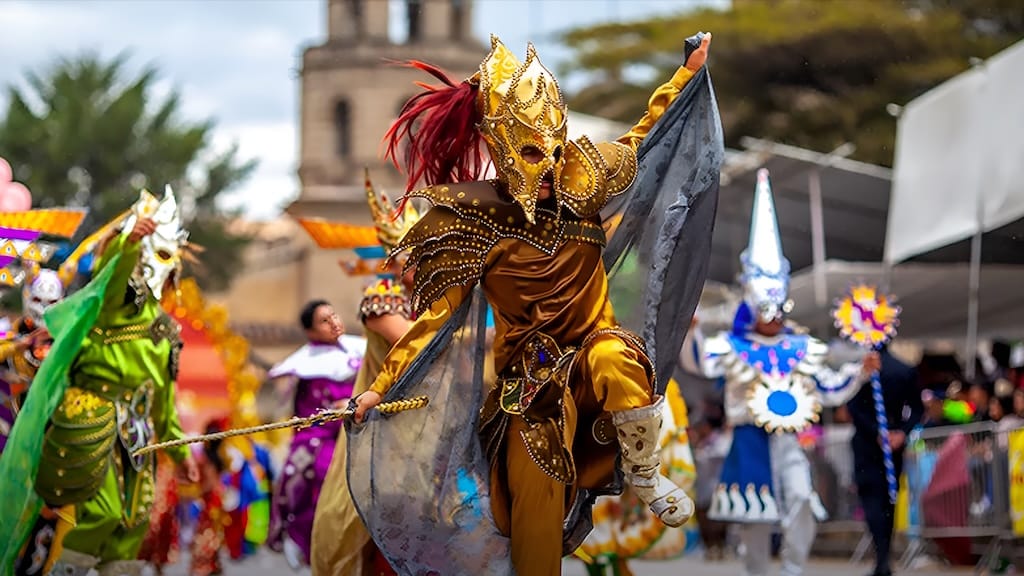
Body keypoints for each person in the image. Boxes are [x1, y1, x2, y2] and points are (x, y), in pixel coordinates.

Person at [352, 31, 718, 576]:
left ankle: (644, 470)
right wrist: (380, 387)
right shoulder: (472, 221)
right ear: (500, 147)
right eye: (529, 151)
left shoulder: (587, 181)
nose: (546, 165)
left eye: (552, 146)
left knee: (616, 358)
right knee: (537, 484)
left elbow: (649, 134)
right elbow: (435, 319)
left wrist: (685, 74)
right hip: (531, 380)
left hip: (595, 357)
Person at [685, 169, 876, 576]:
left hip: (789, 441)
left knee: (803, 498)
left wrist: (860, 370)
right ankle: (758, 572)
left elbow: (827, 386)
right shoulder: (732, 346)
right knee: (754, 517)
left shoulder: (802, 347)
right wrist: (693, 332)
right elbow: (700, 361)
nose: (772, 317)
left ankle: (792, 569)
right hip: (748, 438)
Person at [43, 188, 200, 576]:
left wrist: (181, 455)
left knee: (133, 520)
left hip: (140, 431)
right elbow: (110, 278)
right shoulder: (112, 304)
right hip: (96, 416)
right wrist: (129, 242)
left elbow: (163, 400)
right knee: (103, 512)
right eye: (158, 251)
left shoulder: (165, 329)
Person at [308, 173, 415, 576]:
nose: (422, 266)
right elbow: (414, 345)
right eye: (415, 258)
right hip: (384, 430)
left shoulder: (434, 302)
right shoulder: (381, 298)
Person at [267, 299, 365, 570]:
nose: (334, 322)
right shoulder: (307, 366)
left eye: (333, 315)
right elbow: (310, 414)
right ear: (310, 332)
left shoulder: (362, 349)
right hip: (323, 440)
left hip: (361, 432)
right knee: (316, 477)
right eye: (324, 320)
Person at [846, 346, 922, 576]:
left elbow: (854, 407)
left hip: (874, 446)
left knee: (877, 501)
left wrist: (891, 433)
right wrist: (899, 432)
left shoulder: (867, 371)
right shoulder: (901, 370)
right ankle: (883, 556)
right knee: (885, 502)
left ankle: (883, 557)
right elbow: (917, 409)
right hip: (880, 441)